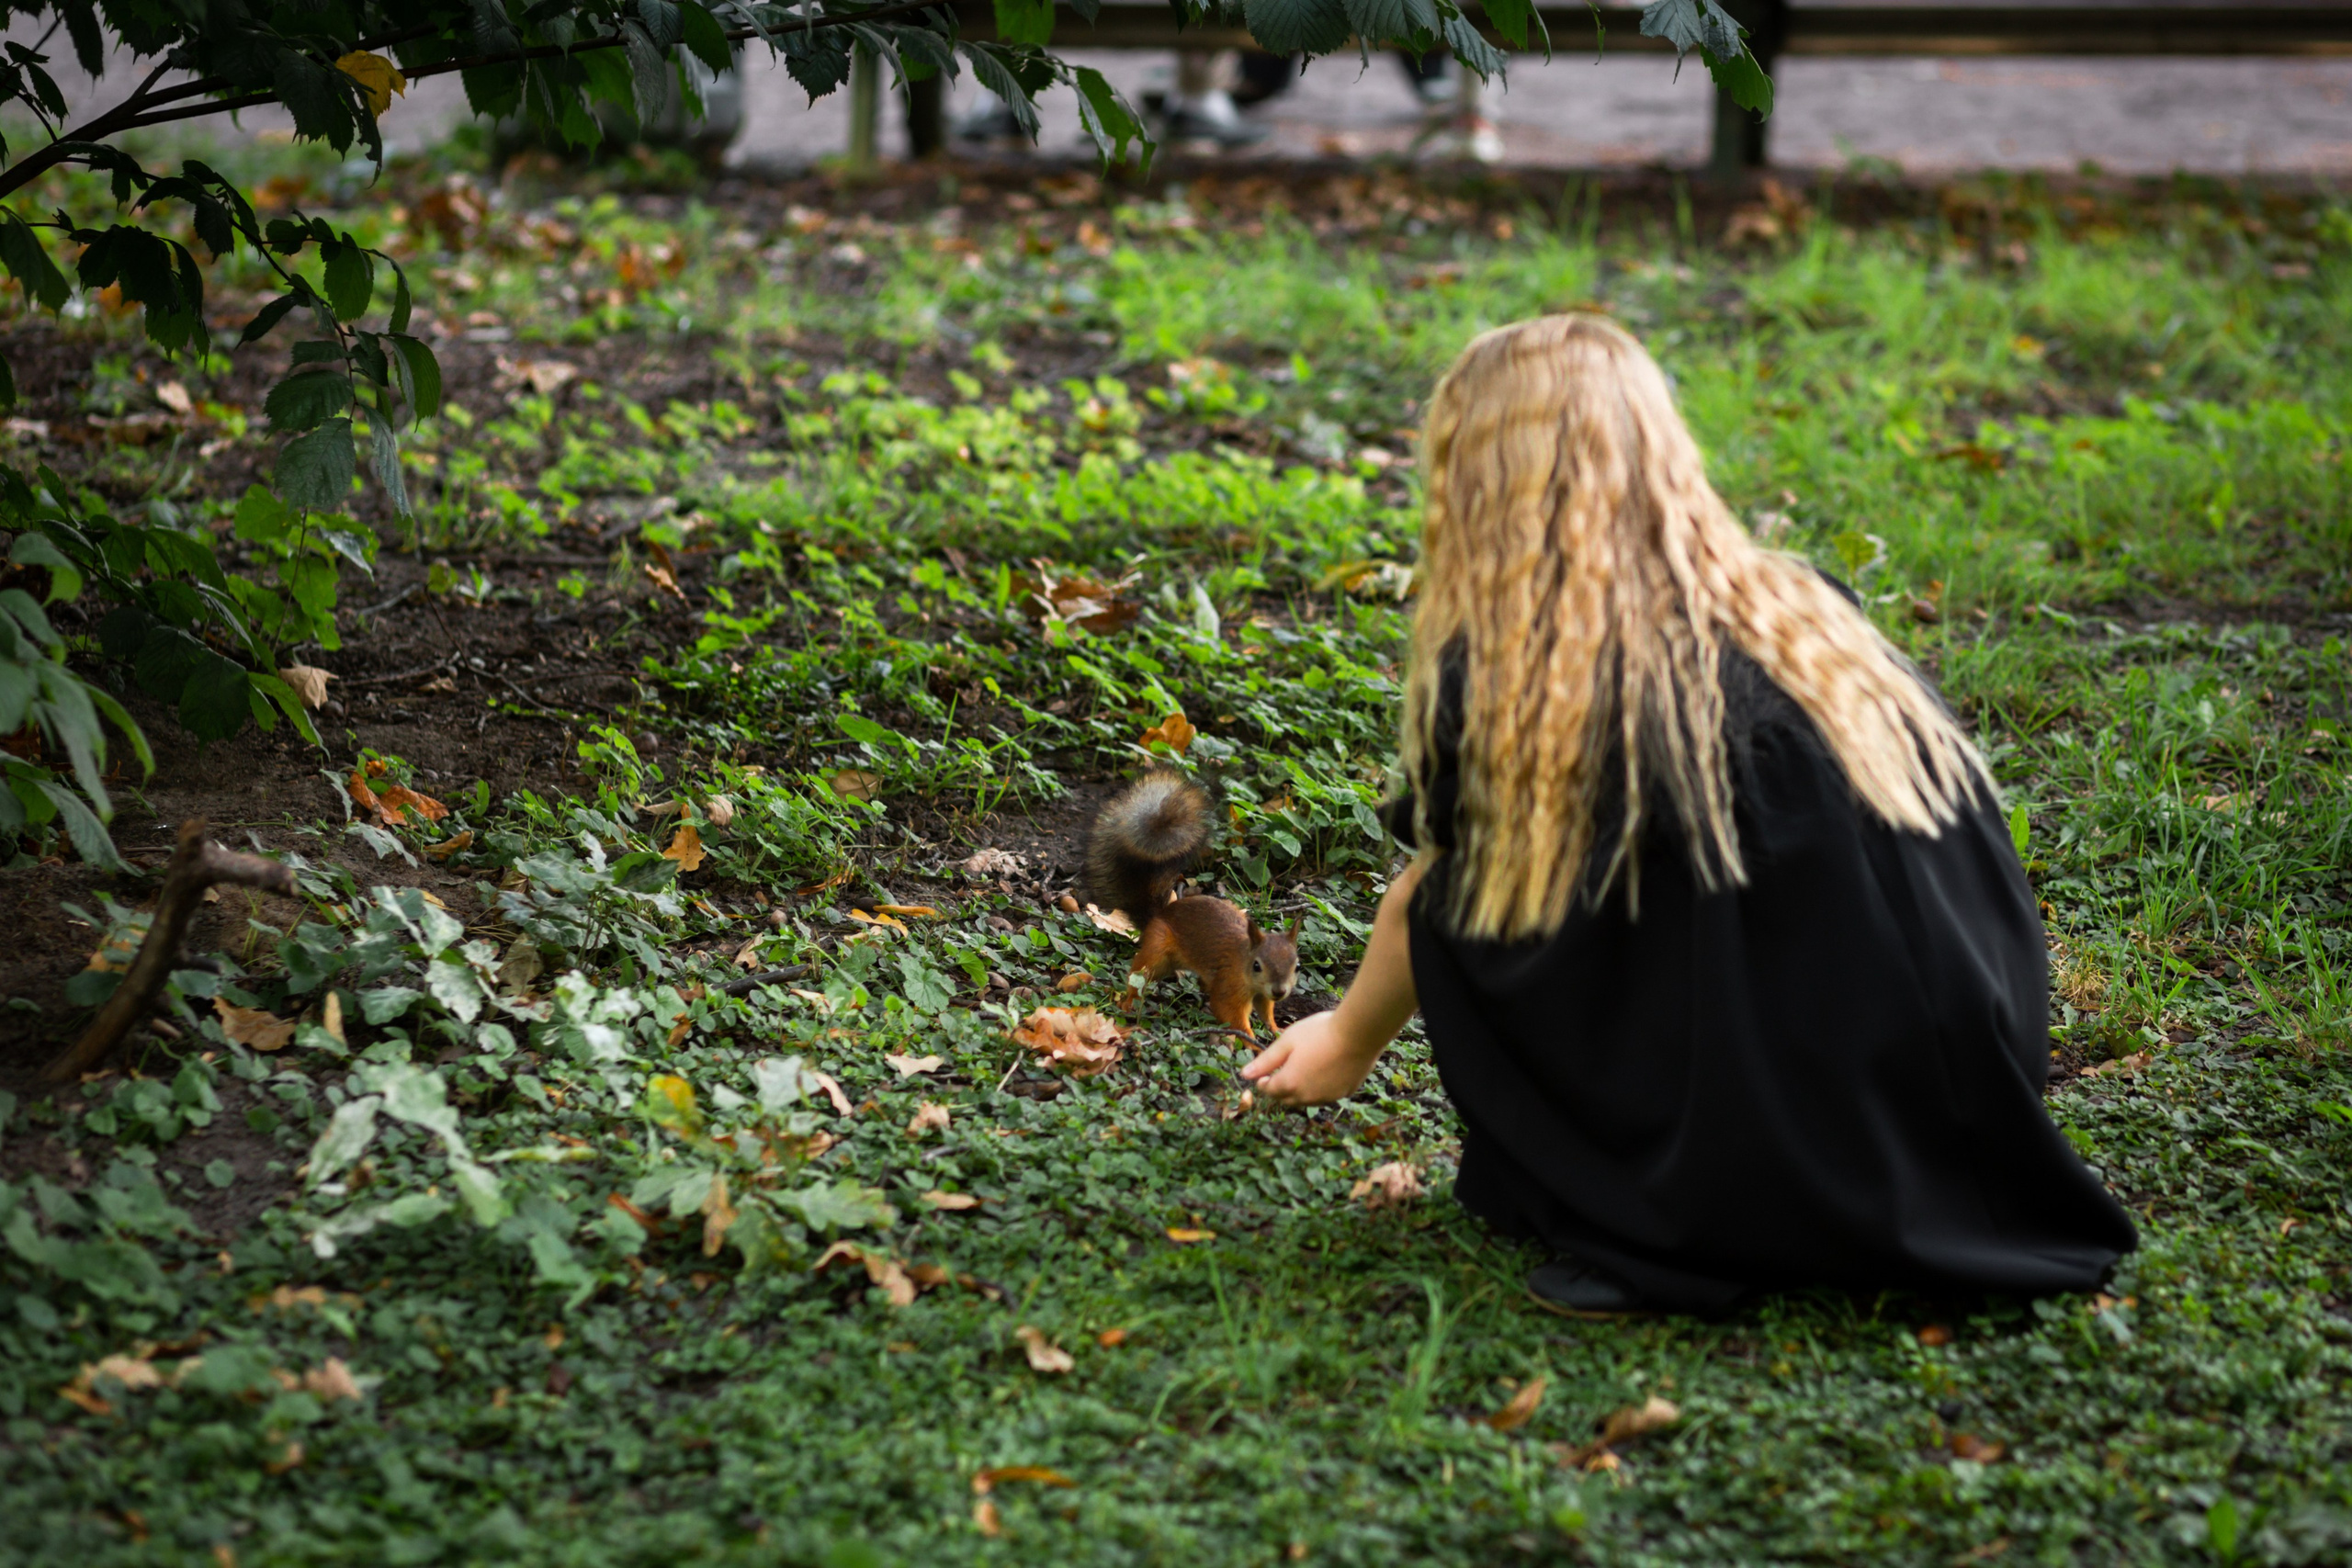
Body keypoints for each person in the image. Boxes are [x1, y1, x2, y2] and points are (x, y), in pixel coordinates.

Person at [1243, 315, 2138, 1317]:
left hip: (1772, 1163)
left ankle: (1670, 1212)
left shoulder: (1524, 680)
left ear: (1472, 482)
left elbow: (1429, 899)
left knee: (1475, 890)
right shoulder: (1805, 613)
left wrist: (1351, 1039)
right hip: (1958, 1114)